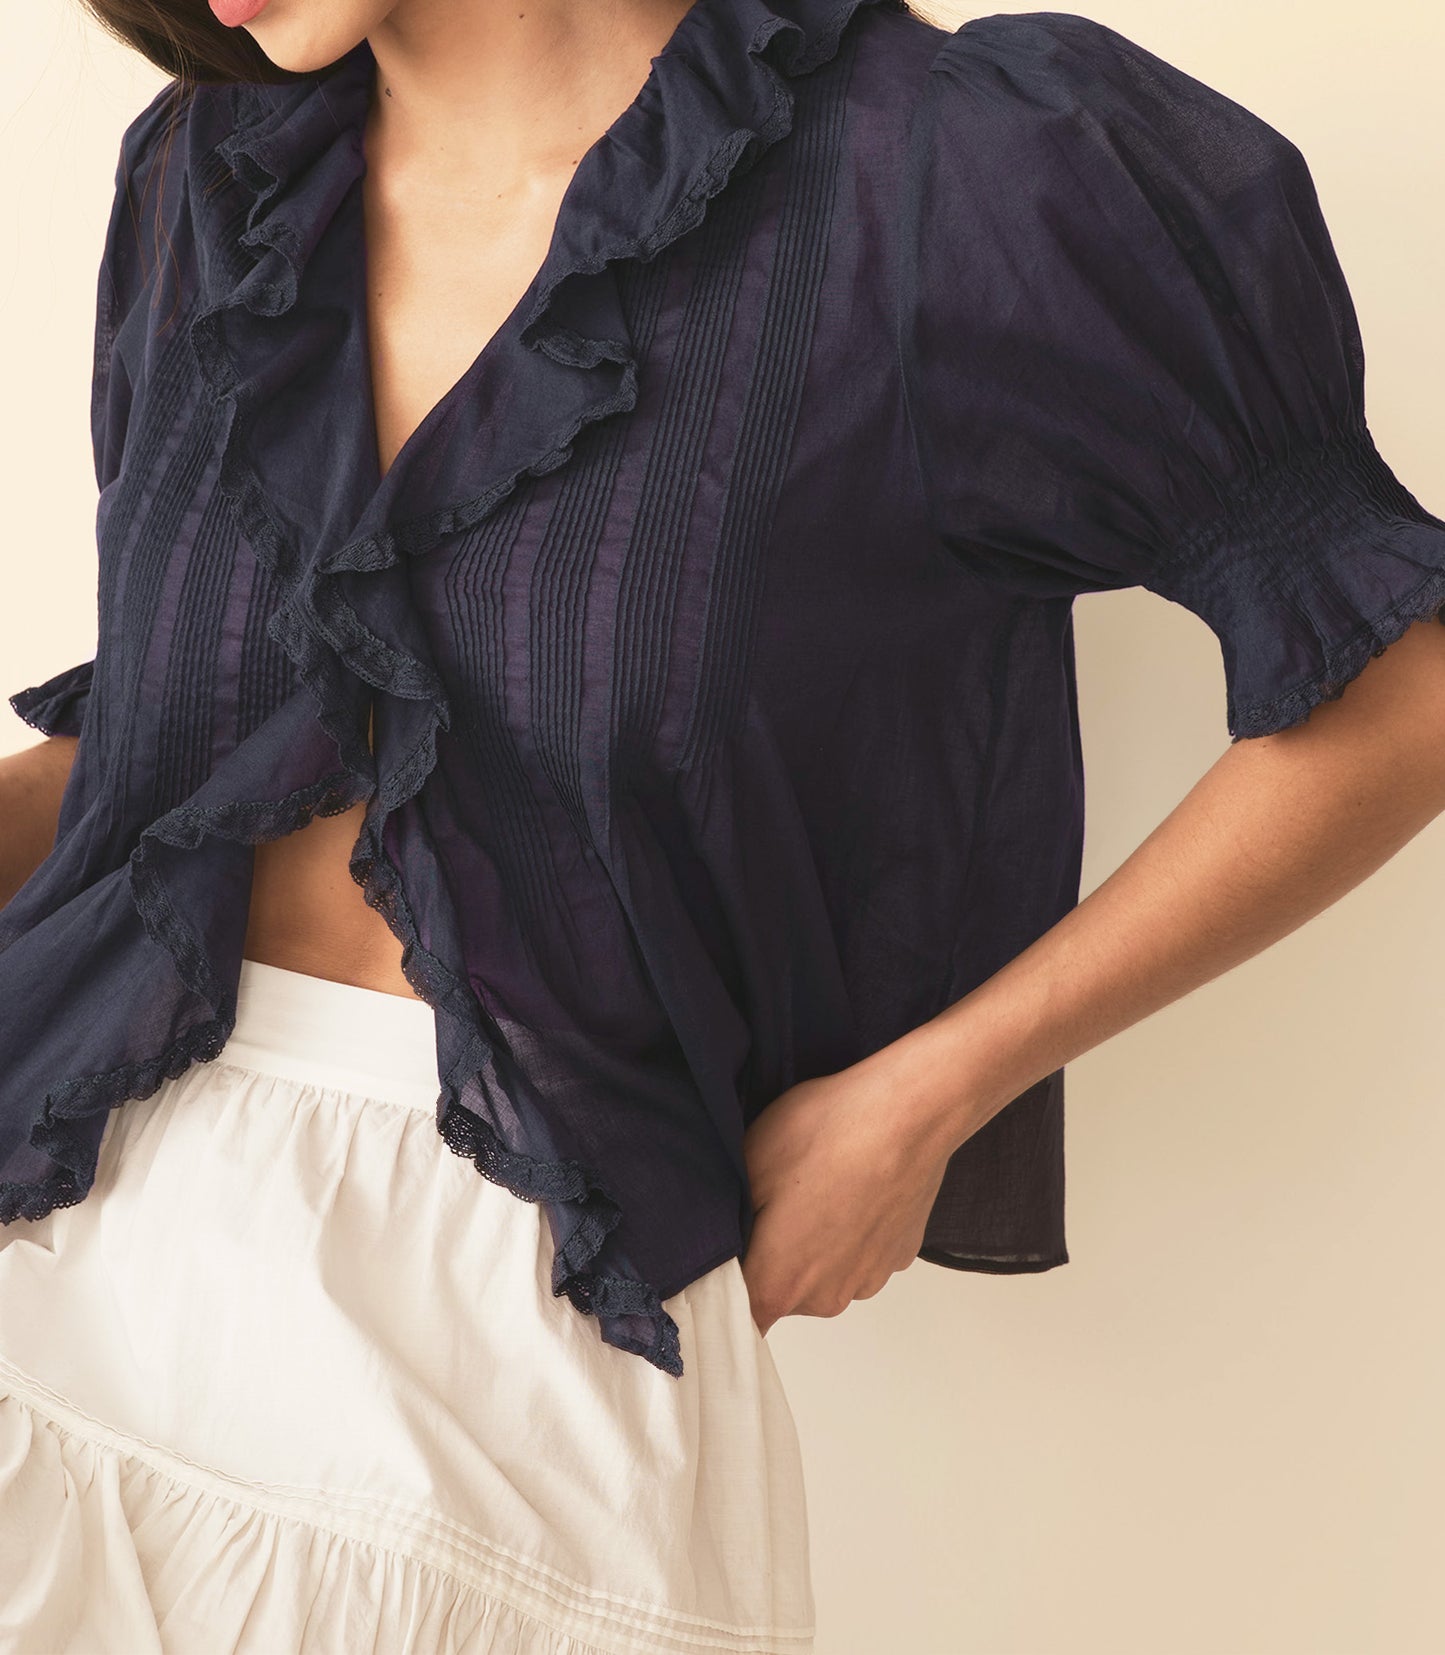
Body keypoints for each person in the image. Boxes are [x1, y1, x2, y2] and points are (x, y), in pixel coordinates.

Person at [3, 0, 1445, 1648]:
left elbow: (1399, 692)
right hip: (58, 1207)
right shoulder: (214, 175)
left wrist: (930, 1095)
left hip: (509, 1363)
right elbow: (206, 753)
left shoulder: (955, 178)